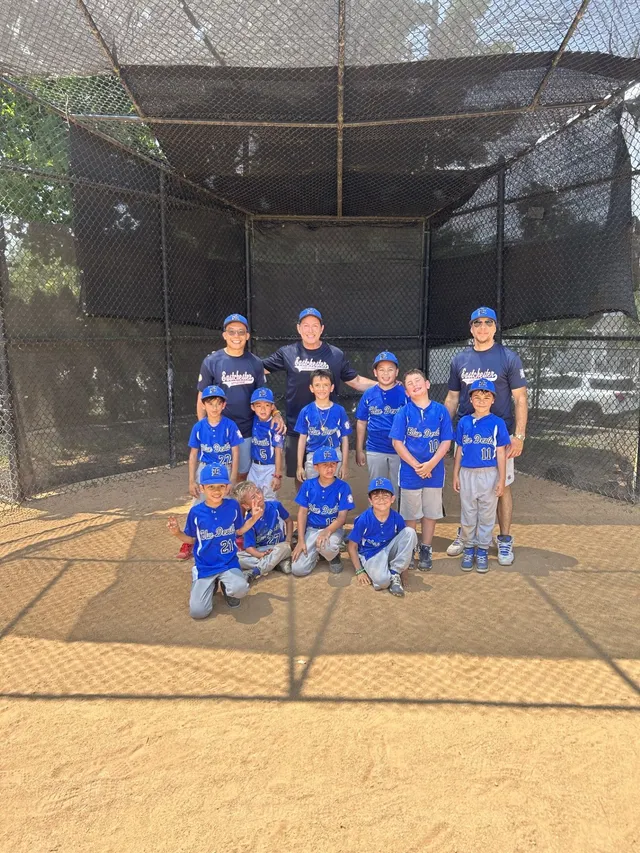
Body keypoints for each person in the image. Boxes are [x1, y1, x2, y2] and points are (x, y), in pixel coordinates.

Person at [444, 306, 528, 566]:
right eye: (477, 323)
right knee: (468, 487)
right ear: (471, 328)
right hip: (468, 433)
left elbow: (520, 398)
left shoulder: (508, 357)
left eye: (488, 323)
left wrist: (519, 435)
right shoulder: (460, 359)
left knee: (501, 487)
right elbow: (452, 398)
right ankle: (467, 536)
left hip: (498, 434)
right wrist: (445, 433)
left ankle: (503, 539)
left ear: (495, 327)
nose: (482, 328)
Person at [262, 307, 375, 482]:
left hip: (327, 431)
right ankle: (308, 508)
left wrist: (384, 385)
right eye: (305, 325)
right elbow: (258, 370)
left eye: (315, 325)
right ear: (298, 328)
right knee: (300, 477)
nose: (310, 330)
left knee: (330, 477)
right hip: (296, 428)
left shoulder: (335, 355)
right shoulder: (288, 352)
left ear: (322, 329)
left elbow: (356, 381)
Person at [166, 464, 264, 619]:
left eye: (221, 486)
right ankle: (207, 582)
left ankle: (226, 587)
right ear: (202, 488)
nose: (217, 491)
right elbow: (191, 539)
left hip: (228, 563)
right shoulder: (196, 512)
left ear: (226, 487)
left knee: (240, 589)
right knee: (198, 612)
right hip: (206, 565)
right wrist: (177, 533)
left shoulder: (232, 506)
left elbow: (238, 531)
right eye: (211, 486)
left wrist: (253, 518)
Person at [196, 313, 284, 481]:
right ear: (224, 335)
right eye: (231, 331)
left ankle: (238, 508)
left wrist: (276, 413)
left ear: (247, 336)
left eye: (241, 332)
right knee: (217, 474)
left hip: (246, 429)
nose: (236, 336)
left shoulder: (255, 362)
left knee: (242, 473)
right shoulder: (212, 361)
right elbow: (202, 398)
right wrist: (203, 428)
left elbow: (262, 398)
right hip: (219, 429)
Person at [390, 369, 454, 571]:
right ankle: (409, 548)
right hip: (410, 472)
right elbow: (397, 442)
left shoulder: (440, 411)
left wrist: (431, 464)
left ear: (427, 384)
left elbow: (446, 441)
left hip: (434, 472)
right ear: (407, 392)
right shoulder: (404, 412)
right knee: (410, 513)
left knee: (430, 511)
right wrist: (416, 465)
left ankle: (426, 547)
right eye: (409, 383)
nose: (414, 384)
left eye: (418, 380)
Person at [452, 379, 510, 573]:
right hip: (467, 472)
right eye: (477, 396)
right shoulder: (464, 422)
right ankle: (469, 547)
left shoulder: (497, 423)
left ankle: (483, 549)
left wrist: (501, 479)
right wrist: (455, 474)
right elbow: (459, 449)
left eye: (486, 397)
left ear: (493, 399)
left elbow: (501, 453)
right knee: (468, 511)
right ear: (470, 399)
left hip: (489, 473)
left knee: (486, 513)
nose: (482, 400)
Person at [347, 477, 417, 598]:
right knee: (383, 582)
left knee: (410, 532)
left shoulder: (397, 518)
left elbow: (404, 543)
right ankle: (381, 570)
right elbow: (352, 546)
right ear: (370, 500)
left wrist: (403, 572)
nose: (381, 500)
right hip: (371, 554)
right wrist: (359, 571)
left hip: (389, 550)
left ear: (392, 499)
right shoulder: (364, 519)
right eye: (376, 497)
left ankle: (395, 572)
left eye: (385, 496)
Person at [291, 447, 355, 577]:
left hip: (333, 529)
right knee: (298, 570)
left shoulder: (343, 487)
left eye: (333, 464)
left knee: (328, 547)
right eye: (325, 465)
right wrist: (301, 540)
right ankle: (317, 554)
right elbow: (302, 513)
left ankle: (333, 556)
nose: (330, 468)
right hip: (312, 529)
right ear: (316, 467)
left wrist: (327, 531)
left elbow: (342, 518)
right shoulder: (308, 485)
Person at [355, 351, 407, 484]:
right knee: (377, 486)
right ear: (375, 372)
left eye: (390, 370)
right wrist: (359, 449)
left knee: (398, 487)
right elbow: (361, 422)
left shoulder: (405, 393)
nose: (386, 373)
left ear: (397, 372)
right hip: (375, 447)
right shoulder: (369, 394)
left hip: (400, 449)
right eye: (381, 370)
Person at [294, 369, 352, 482]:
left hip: (334, 455)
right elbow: (302, 439)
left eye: (326, 385)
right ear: (311, 388)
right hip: (313, 455)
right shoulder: (306, 411)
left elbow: (345, 439)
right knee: (314, 490)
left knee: (335, 490)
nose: (321, 389)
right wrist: (299, 466)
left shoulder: (339, 410)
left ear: (332, 388)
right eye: (317, 385)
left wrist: (344, 464)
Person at [233, 482, 293, 579]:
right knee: (237, 558)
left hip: (278, 547)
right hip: (260, 550)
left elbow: (289, 521)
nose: (259, 496)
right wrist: (260, 555)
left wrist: (288, 540)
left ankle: (255, 571)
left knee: (285, 548)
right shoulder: (248, 522)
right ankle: (276, 563)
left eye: (258, 492)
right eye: (253, 497)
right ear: (246, 506)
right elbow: (249, 548)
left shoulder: (275, 506)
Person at [246, 387, 284, 501]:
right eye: (258, 405)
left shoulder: (275, 425)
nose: (263, 409)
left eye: (267, 405)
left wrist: (277, 475)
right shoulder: (253, 420)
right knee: (251, 497)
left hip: (270, 468)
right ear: (252, 407)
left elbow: (278, 452)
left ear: (272, 407)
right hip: (254, 467)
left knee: (268, 499)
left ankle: (273, 519)